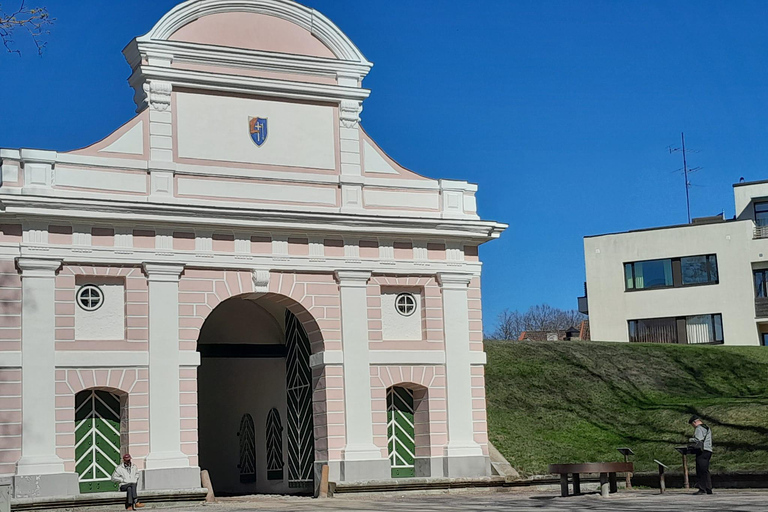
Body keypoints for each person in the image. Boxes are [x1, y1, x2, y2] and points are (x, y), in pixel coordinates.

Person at [688, 415, 713, 495]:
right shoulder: (706, 427)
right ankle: (708, 488)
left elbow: (698, 439)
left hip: (702, 451)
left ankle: (702, 489)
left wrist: (690, 440)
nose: (693, 427)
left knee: (700, 470)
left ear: (695, 422)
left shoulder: (699, 428)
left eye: (692, 425)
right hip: (708, 450)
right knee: (705, 470)